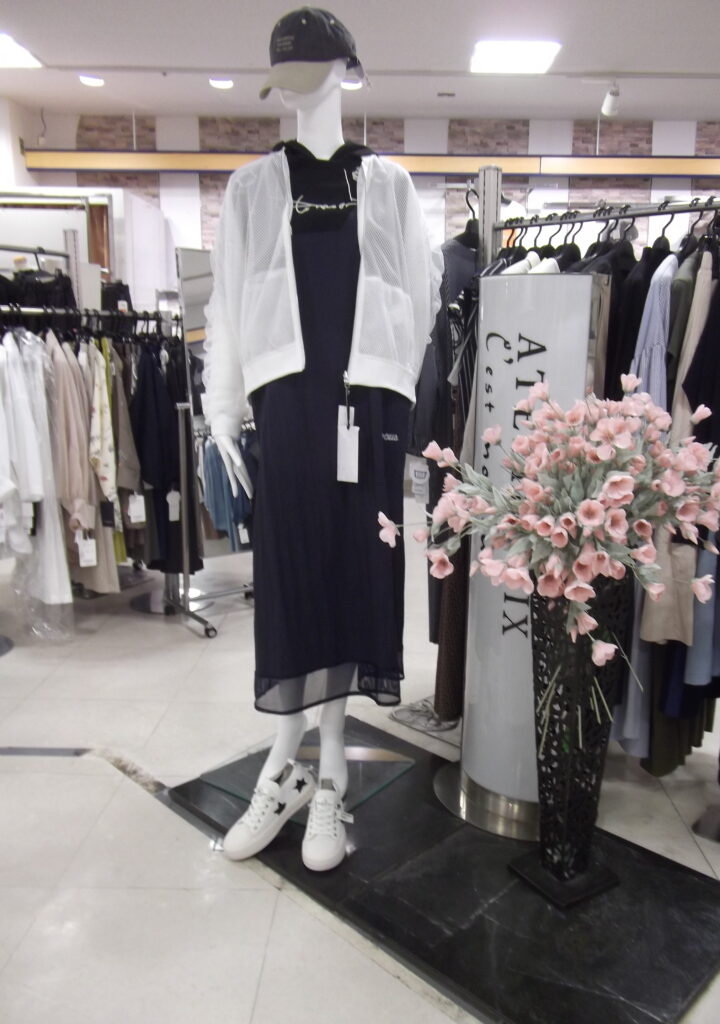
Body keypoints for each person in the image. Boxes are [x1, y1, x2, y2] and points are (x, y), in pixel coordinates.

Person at [203, 7, 441, 872]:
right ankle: (287, 763)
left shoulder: (391, 185)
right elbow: (227, 303)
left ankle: (328, 772)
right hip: (289, 412)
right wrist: (222, 410)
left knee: (354, 576)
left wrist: (391, 388)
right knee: (293, 577)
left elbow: (420, 297)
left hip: (366, 412)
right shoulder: (250, 189)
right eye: (286, 72)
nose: (296, 88)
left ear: (346, 70)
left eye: (311, 67)